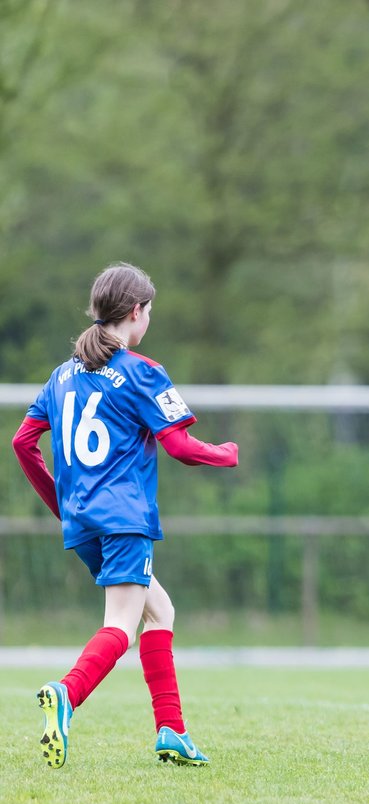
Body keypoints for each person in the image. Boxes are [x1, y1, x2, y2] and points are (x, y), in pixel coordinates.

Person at [12, 263, 239, 769]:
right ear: (136, 312)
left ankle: (172, 731)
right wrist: (226, 453)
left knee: (159, 612)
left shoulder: (62, 374)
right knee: (120, 623)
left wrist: (60, 505)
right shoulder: (141, 370)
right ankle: (66, 694)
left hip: (83, 523)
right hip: (124, 519)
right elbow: (178, 445)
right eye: (149, 311)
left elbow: (23, 443)